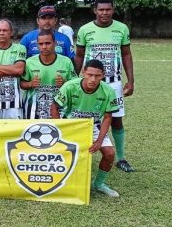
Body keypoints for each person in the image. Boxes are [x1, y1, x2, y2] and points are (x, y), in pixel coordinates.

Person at [75, 0, 135, 172]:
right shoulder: (85, 30)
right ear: (95, 10)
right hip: (89, 83)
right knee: (84, 118)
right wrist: (73, 77)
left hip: (113, 83)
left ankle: (121, 158)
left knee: (116, 120)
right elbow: (79, 55)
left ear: (113, 10)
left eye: (108, 9)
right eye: (101, 9)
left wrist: (131, 80)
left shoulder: (121, 28)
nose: (104, 13)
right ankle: (79, 154)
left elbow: (126, 54)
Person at [51, 59, 121, 197]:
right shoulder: (70, 86)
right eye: (90, 75)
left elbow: (108, 117)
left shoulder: (108, 91)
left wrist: (99, 141)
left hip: (93, 124)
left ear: (103, 75)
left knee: (109, 154)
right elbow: (54, 107)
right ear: (83, 72)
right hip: (70, 123)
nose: (93, 79)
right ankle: (61, 181)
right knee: (61, 153)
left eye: (97, 76)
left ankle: (99, 184)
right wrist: (59, 130)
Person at [20, 30, 76, 119]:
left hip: (59, 107)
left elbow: (75, 85)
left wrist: (65, 83)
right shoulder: (29, 62)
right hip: (34, 109)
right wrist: (30, 84)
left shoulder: (66, 62)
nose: (44, 47)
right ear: (37, 45)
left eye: (48, 43)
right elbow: (21, 84)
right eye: (41, 44)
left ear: (55, 43)